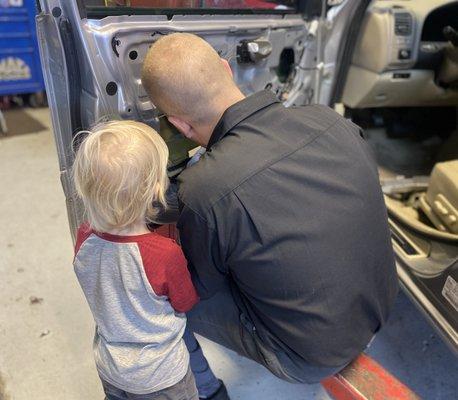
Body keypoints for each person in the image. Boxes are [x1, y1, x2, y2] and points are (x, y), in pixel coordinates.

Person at [141, 33, 399, 384]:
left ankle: (204, 388)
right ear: (227, 70)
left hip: (309, 356)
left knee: (162, 292)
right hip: (380, 309)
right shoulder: (332, 121)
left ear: (180, 125)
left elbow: (198, 288)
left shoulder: (203, 191)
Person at [72, 120, 201, 400]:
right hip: (161, 377)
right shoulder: (164, 253)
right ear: (157, 190)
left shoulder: (84, 239)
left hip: (111, 368)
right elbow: (185, 302)